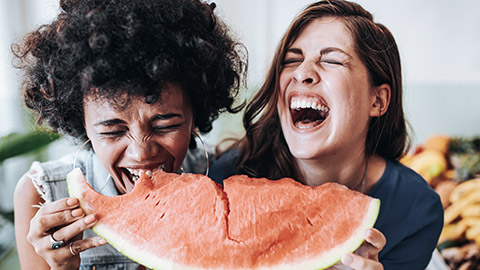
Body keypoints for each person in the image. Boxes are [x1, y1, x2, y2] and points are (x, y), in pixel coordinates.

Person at [209, 0, 444, 269]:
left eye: (332, 60)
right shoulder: (230, 178)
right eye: (292, 60)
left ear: (377, 101)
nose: (301, 73)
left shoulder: (417, 211)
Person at [12, 0, 246, 269]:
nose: (141, 153)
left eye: (165, 126)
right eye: (112, 131)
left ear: (195, 115)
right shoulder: (41, 192)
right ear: (82, 123)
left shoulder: (226, 176)